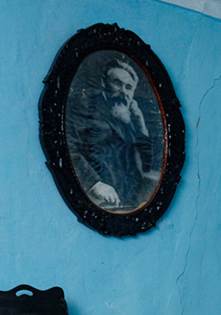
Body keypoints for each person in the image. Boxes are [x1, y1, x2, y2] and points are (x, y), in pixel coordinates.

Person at [66, 56, 158, 209]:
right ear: (104, 82)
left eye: (128, 87)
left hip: (127, 201)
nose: (123, 91)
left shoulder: (127, 115)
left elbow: (147, 164)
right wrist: (94, 183)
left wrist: (140, 123)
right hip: (93, 198)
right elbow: (67, 147)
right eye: (117, 83)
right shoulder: (85, 105)